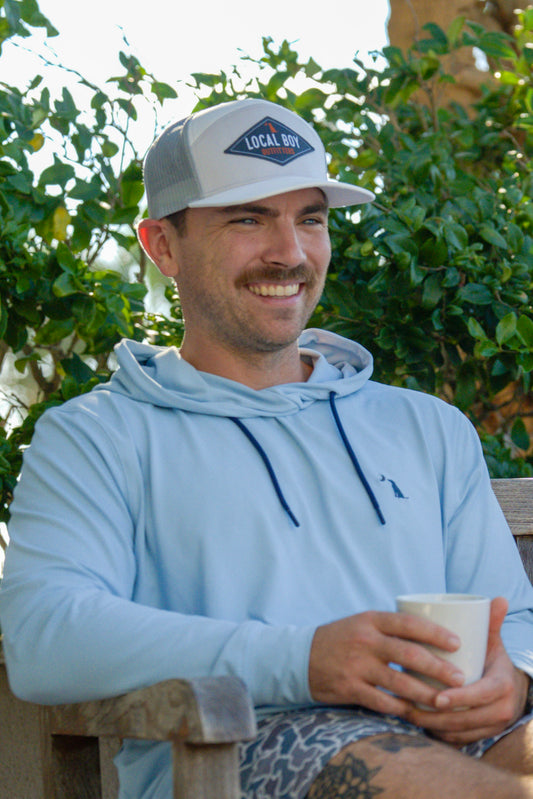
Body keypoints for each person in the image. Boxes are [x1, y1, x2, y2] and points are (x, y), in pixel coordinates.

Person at [1, 97, 533, 799]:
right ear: (162, 245)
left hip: (448, 724)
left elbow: (510, 615)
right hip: (243, 742)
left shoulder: (425, 426)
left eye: (309, 219)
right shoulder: (97, 435)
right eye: (247, 219)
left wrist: (512, 676)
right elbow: (43, 635)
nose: (290, 252)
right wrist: (303, 659)